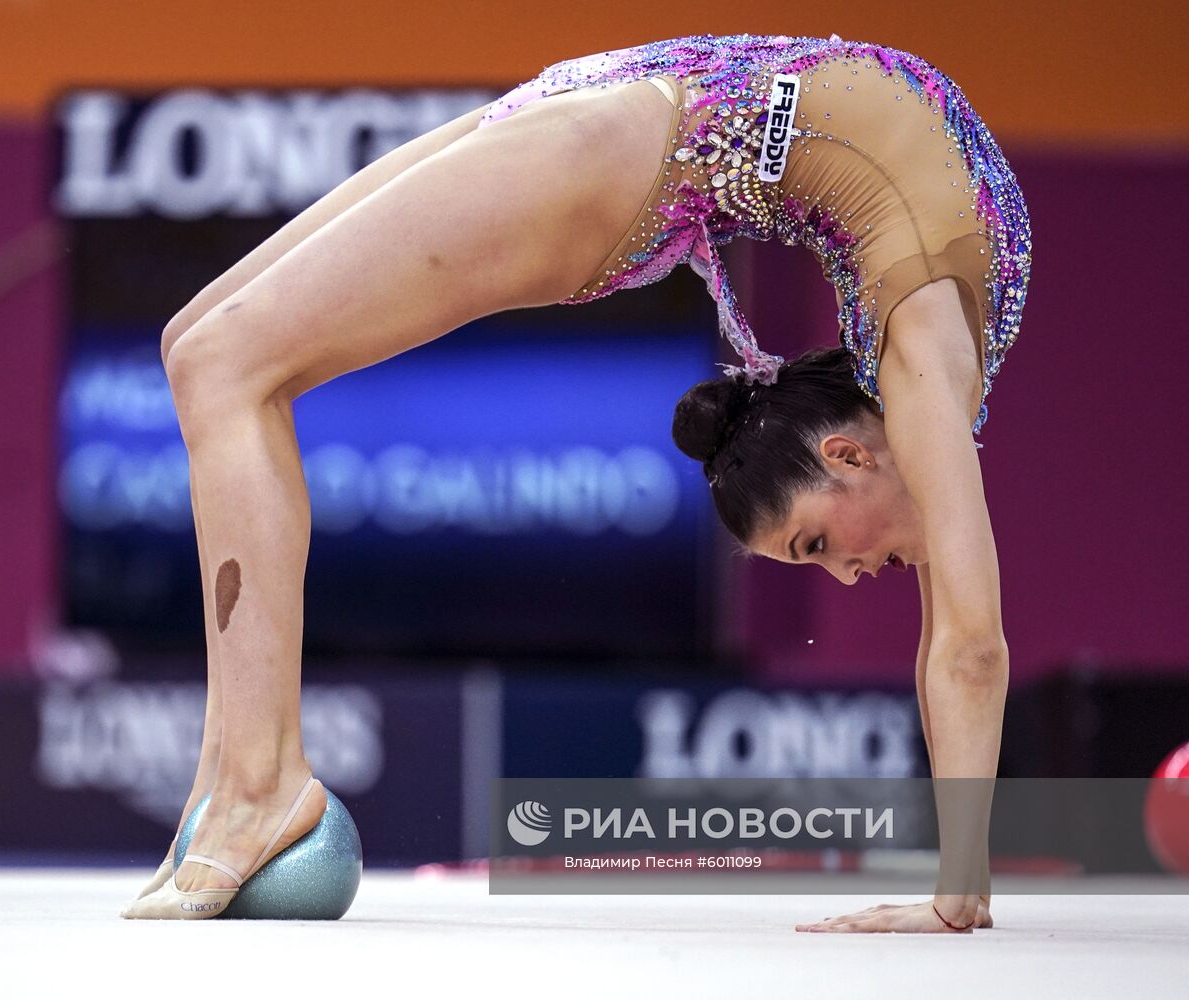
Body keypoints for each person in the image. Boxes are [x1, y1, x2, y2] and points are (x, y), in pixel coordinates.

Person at [120, 32, 1031, 930]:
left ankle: (234, 785)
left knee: (210, 358)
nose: (844, 571)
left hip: (621, 100)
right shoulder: (924, 369)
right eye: (817, 544)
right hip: (620, 154)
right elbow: (968, 643)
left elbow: (944, 639)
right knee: (210, 359)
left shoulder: (920, 363)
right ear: (847, 455)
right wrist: (960, 894)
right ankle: (248, 785)